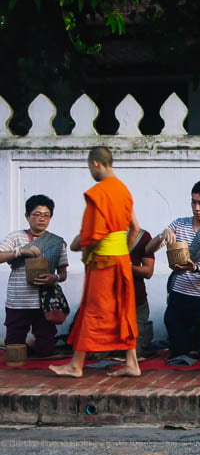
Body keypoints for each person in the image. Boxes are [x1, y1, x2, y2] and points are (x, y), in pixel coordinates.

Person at [49, 146, 141, 378]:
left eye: (90, 167)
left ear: (96, 164)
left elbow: (91, 235)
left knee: (92, 311)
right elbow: (135, 229)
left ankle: (76, 365)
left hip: (103, 262)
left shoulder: (99, 193)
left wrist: (83, 252)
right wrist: (123, 251)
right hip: (121, 260)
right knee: (123, 310)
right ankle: (132, 363)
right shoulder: (124, 191)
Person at [146, 180, 200, 361]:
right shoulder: (178, 224)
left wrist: (196, 268)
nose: (197, 208)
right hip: (179, 297)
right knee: (178, 353)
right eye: (193, 202)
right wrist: (163, 234)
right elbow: (148, 250)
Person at [0, 195, 68, 358]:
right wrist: (19, 251)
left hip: (45, 301)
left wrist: (55, 279)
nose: (41, 219)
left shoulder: (57, 242)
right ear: (27, 216)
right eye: (36, 214)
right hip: (18, 300)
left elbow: (63, 273)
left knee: (46, 347)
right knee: (14, 348)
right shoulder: (15, 238)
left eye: (46, 215)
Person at [129, 229, 155, 356]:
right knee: (98, 353)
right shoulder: (100, 234)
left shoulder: (142, 236)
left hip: (135, 300)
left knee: (134, 350)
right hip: (107, 302)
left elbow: (148, 271)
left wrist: (128, 267)